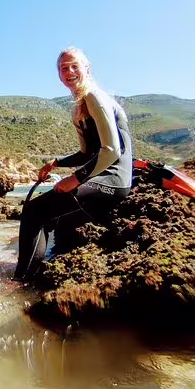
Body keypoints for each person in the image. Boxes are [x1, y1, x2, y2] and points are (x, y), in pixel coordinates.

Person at [12, 47, 133, 282]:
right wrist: (56, 163)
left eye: (74, 65)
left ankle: (22, 280)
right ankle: (42, 269)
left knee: (35, 211)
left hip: (114, 180)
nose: (69, 71)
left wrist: (76, 178)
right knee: (53, 216)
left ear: (87, 69)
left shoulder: (94, 97)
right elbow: (86, 153)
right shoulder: (79, 107)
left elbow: (111, 151)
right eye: (63, 68)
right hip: (101, 178)